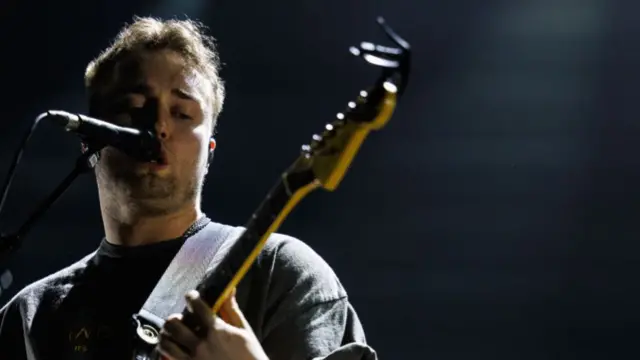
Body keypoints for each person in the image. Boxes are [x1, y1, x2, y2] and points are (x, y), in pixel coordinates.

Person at [0, 16, 375, 360]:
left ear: (208, 152)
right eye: (133, 106)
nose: (159, 126)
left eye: (182, 113)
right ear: (89, 140)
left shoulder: (278, 272)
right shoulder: (31, 313)